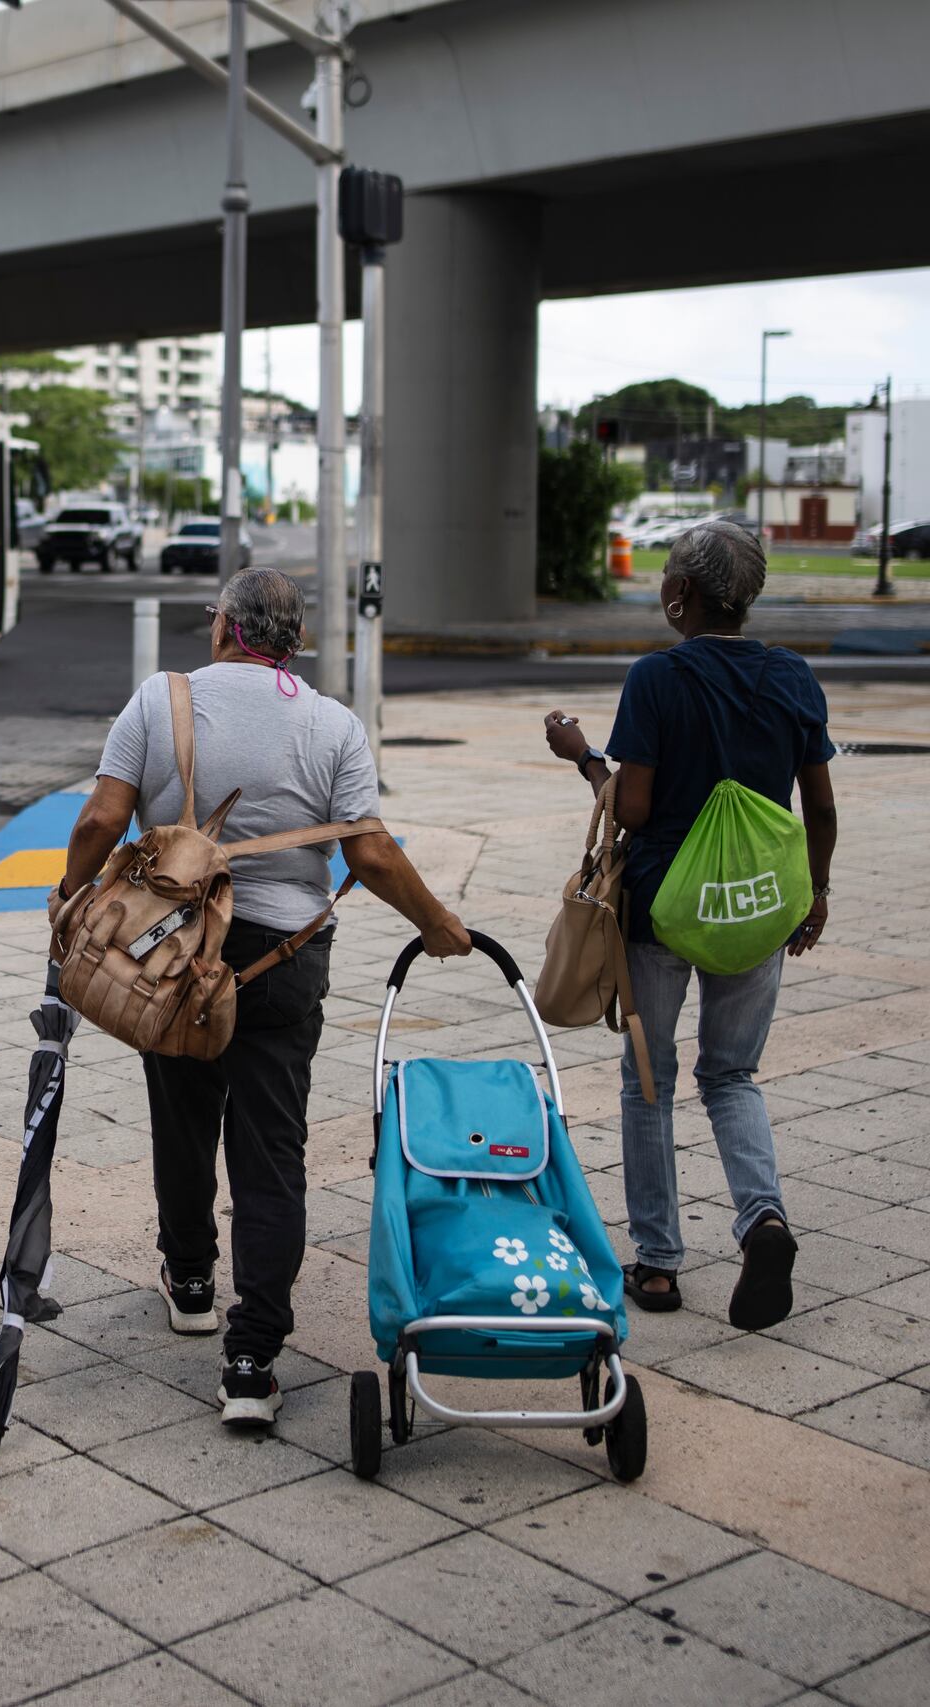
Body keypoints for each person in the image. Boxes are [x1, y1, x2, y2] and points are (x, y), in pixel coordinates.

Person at [57, 568, 471, 1429]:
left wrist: (70, 891)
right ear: (293, 643)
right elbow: (373, 854)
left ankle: (193, 1280)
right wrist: (435, 922)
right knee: (272, 1147)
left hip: (170, 957)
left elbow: (102, 817)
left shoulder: (159, 701)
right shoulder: (332, 725)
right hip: (283, 956)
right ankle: (250, 1359)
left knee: (181, 1113)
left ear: (222, 630)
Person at [543, 519, 833, 1331]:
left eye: (668, 577)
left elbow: (629, 807)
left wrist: (580, 753)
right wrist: (816, 893)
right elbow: (822, 807)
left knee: (650, 1079)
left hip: (666, 907)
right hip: (757, 907)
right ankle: (762, 1220)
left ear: (684, 596)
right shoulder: (793, 677)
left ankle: (661, 1265)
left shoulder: (658, 679)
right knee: (732, 1075)